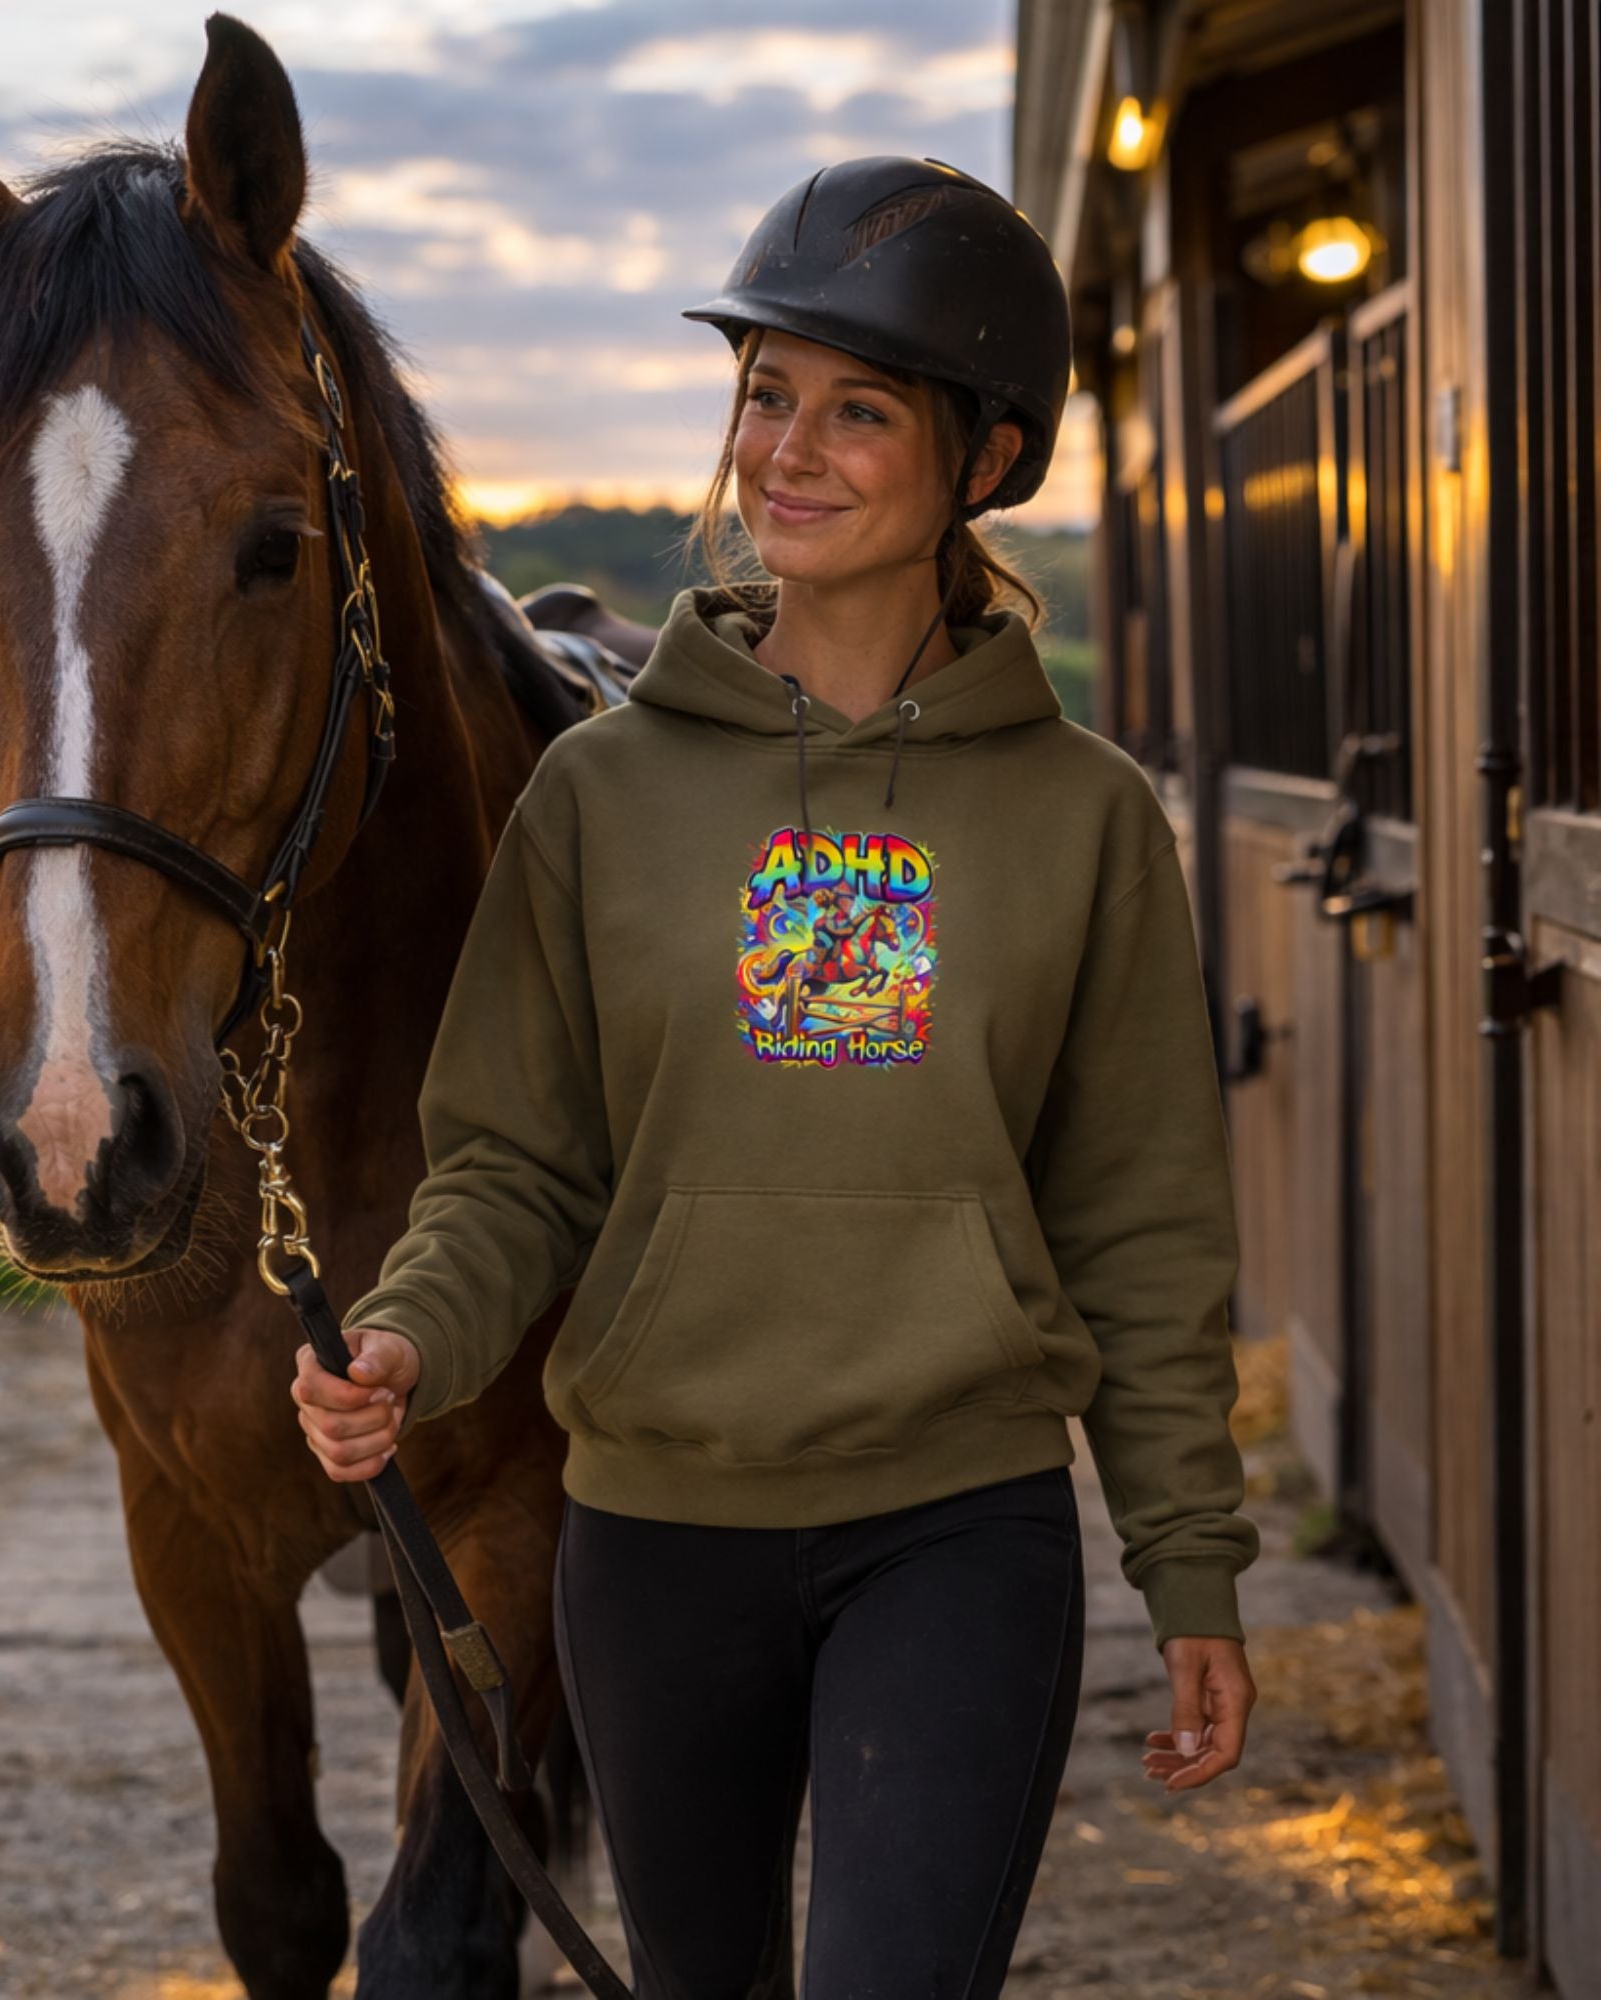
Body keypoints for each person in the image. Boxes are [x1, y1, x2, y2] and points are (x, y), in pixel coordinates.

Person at [292, 155, 1261, 1996]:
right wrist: (414, 1332)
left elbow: (1141, 1221)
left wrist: (1189, 1562)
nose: (788, 452)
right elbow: (515, 1162)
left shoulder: (1086, 819)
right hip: (653, 1535)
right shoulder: (599, 795)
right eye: (765, 395)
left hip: (957, 1530)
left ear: (984, 461)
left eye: (859, 409)